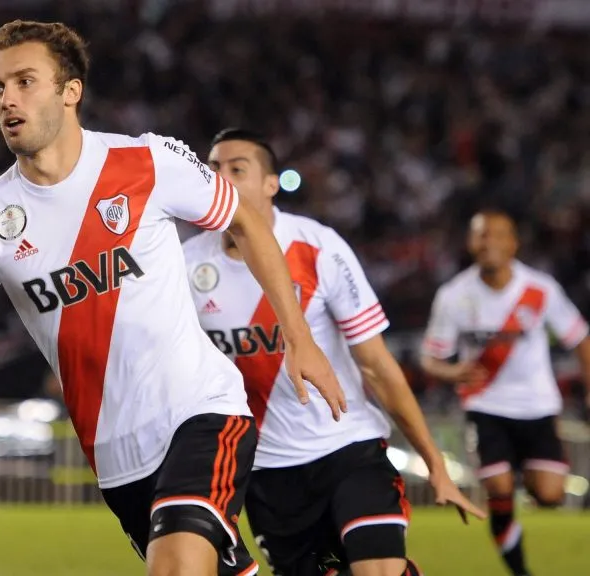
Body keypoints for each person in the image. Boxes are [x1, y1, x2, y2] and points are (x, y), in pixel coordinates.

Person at [0, 20, 346, 576]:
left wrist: (299, 337)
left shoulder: (146, 162)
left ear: (69, 91)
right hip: (115, 454)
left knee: (174, 568)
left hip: (199, 412)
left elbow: (246, 220)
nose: (7, 99)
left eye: (25, 81)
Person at [182, 129, 485, 576]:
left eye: (236, 169)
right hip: (266, 468)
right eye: (212, 168)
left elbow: (378, 366)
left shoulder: (318, 247)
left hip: (347, 447)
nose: (220, 178)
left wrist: (435, 462)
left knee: (375, 569)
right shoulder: (186, 262)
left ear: (270, 184)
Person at [420, 209, 590, 576]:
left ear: (514, 243)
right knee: (498, 487)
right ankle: (520, 570)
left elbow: (580, 337)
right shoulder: (453, 296)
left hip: (538, 406)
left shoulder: (541, 290)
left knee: (549, 494)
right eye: (481, 235)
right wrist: (454, 371)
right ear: (470, 243)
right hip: (486, 406)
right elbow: (431, 358)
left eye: (498, 234)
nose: (489, 242)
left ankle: (525, 491)